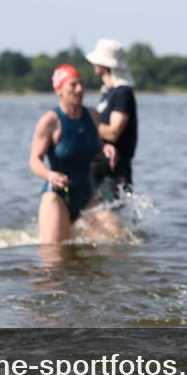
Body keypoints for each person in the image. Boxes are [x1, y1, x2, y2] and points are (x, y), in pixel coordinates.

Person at [30, 64, 117, 243]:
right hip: (58, 196)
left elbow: (95, 147)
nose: (79, 89)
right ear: (60, 90)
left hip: (88, 195)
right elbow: (34, 160)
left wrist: (106, 149)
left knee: (117, 242)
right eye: (73, 85)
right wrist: (49, 175)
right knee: (54, 252)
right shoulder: (50, 121)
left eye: (81, 84)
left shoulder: (92, 115)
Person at [86, 39, 138, 203]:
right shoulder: (108, 93)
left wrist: (87, 123)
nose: (94, 64)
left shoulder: (122, 93)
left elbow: (114, 133)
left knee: (115, 213)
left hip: (116, 170)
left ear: (104, 64)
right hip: (101, 167)